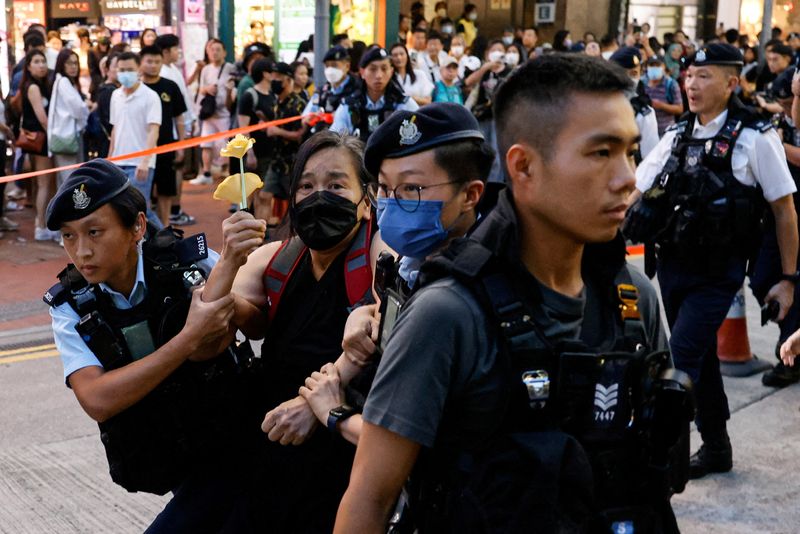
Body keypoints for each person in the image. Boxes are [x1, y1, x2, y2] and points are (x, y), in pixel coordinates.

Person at [336, 54, 687, 534]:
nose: (628, 177)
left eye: (629, 151)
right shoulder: (448, 313)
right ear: (522, 167)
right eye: (601, 153)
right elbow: (369, 500)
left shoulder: (634, 297)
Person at [43, 158, 262, 532]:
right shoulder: (71, 305)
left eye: (94, 232)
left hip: (237, 443)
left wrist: (226, 299)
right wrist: (190, 336)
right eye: (69, 236)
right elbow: (97, 399)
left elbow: (258, 323)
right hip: (170, 459)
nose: (81, 251)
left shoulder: (186, 262)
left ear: (137, 227)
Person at [625, 43, 799, 479]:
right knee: (700, 363)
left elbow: (784, 210)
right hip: (672, 268)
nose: (691, 84)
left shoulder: (755, 137)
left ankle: (660, 464)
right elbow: (637, 190)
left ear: (731, 83)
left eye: (704, 76)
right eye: (688, 76)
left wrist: (789, 278)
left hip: (717, 275)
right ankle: (717, 448)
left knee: (677, 362)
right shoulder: (677, 134)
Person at [200, 130, 379, 532]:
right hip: (273, 453)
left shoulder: (376, 250)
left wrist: (312, 406)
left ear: (366, 202)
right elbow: (206, 333)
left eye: (336, 185)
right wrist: (229, 258)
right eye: (307, 186)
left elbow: (385, 316)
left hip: (342, 458)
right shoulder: (274, 258)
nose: (319, 197)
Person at [297, 102, 493, 449]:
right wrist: (363, 312)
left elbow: (413, 440)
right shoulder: (412, 260)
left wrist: (333, 413)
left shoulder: (475, 285)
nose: (391, 203)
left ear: (470, 194)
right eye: (385, 190)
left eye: (411, 190)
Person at [748, 67, 800, 388]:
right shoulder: (779, 127)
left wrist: (777, 148)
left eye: (795, 99)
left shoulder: (777, 137)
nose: (790, 109)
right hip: (779, 219)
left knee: (791, 282)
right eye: (788, 100)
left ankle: (789, 357)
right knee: (765, 278)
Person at [108, 51, 162, 228]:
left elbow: (154, 130)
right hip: (119, 162)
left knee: (140, 209)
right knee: (123, 209)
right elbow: (115, 129)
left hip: (139, 163)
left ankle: (167, 243)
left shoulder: (150, 96)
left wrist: (145, 161)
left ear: (138, 69)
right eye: (122, 69)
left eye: (130, 69)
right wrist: (110, 160)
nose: (125, 73)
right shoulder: (116, 95)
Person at [330, 47, 419, 143]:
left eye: (384, 69)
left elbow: (420, 137)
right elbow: (334, 141)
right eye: (373, 69)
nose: (379, 76)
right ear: (362, 72)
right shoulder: (349, 106)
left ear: (391, 71)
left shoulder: (404, 104)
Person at [140, 45, 186, 227]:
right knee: (141, 192)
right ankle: (144, 230)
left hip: (166, 145)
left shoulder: (170, 87)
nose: (153, 65)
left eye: (157, 62)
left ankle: (165, 227)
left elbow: (179, 118)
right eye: (149, 61)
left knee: (166, 190)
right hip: (141, 148)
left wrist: (181, 144)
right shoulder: (136, 88)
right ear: (141, 63)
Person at [156, 33, 198, 227]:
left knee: (178, 171)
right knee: (173, 172)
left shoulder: (173, 69)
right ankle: (173, 210)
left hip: (181, 129)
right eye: (175, 49)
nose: (178, 52)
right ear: (166, 51)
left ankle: (175, 209)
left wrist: (191, 120)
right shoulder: (163, 73)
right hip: (170, 133)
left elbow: (184, 100)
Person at [262, 62, 308, 226]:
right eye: (273, 77)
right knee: (264, 195)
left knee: (294, 200)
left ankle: (292, 234)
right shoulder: (277, 103)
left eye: (278, 78)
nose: (274, 81)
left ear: (288, 80)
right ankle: (262, 233)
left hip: (293, 162)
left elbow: (300, 135)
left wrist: (277, 131)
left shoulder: (299, 104)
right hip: (277, 160)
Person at [20, 49, 56, 242]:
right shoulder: (33, 87)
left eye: (43, 61)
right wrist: (54, 136)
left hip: (41, 139)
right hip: (41, 140)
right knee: (43, 184)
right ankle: (41, 226)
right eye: (37, 61)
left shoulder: (40, 85)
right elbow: (42, 117)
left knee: (45, 184)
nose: (42, 65)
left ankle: (43, 223)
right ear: (28, 66)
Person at [465, 39, 512, 182]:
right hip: (481, 116)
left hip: (499, 118)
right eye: (493, 50)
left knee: (497, 155)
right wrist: (485, 68)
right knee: (480, 152)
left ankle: (493, 186)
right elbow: (468, 83)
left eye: (500, 50)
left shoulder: (509, 71)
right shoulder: (484, 71)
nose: (497, 53)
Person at [237, 58, 277, 222]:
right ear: (265, 74)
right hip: (255, 151)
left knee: (264, 194)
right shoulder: (250, 96)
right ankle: (245, 225)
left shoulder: (273, 95)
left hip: (270, 151)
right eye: (271, 71)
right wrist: (250, 153)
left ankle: (261, 229)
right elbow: (243, 128)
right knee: (250, 194)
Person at [190, 39, 235, 185]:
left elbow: (233, 91)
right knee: (206, 144)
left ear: (224, 52)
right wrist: (206, 90)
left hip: (224, 113)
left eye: (218, 50)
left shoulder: (230, 68)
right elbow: (201, 89)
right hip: (209, 113)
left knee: (228, 144)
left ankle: (227, 172)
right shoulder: (206, 69)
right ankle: (206, 173)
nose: (214, 53)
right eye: (211, 50)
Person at [48, 49, 89, 187]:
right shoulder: (64, 81)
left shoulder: (64, 81)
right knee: (71, 181)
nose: (73, 67)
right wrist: (86, 110)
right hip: (67, 137)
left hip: (66, 136)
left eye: (75, 63)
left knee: (67, 180)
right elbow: (78, 109)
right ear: (62, 64)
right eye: (69, 63)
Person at [609, 46, 659, 161]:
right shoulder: (595, 105)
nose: (629, 80)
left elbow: (650, 158)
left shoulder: (644, 114)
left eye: (634, 74)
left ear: (640, 74)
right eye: (622, 74)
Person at [303, 46, 356, 133]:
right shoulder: (321, 92)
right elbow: (308, 113)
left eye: (334, 65)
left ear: (347, 66)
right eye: (327, 66)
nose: (330, 70)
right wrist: (310, 118)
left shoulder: (357, 90)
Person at [643, 56, 684, 136]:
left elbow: (679, 109)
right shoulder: (642, 83)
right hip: (646, 132)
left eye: (657, 65)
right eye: (652, 65)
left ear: (664, 67)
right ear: (647, 67)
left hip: (665, 132)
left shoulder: (671, 84)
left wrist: (661, 105)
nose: (654, 68)